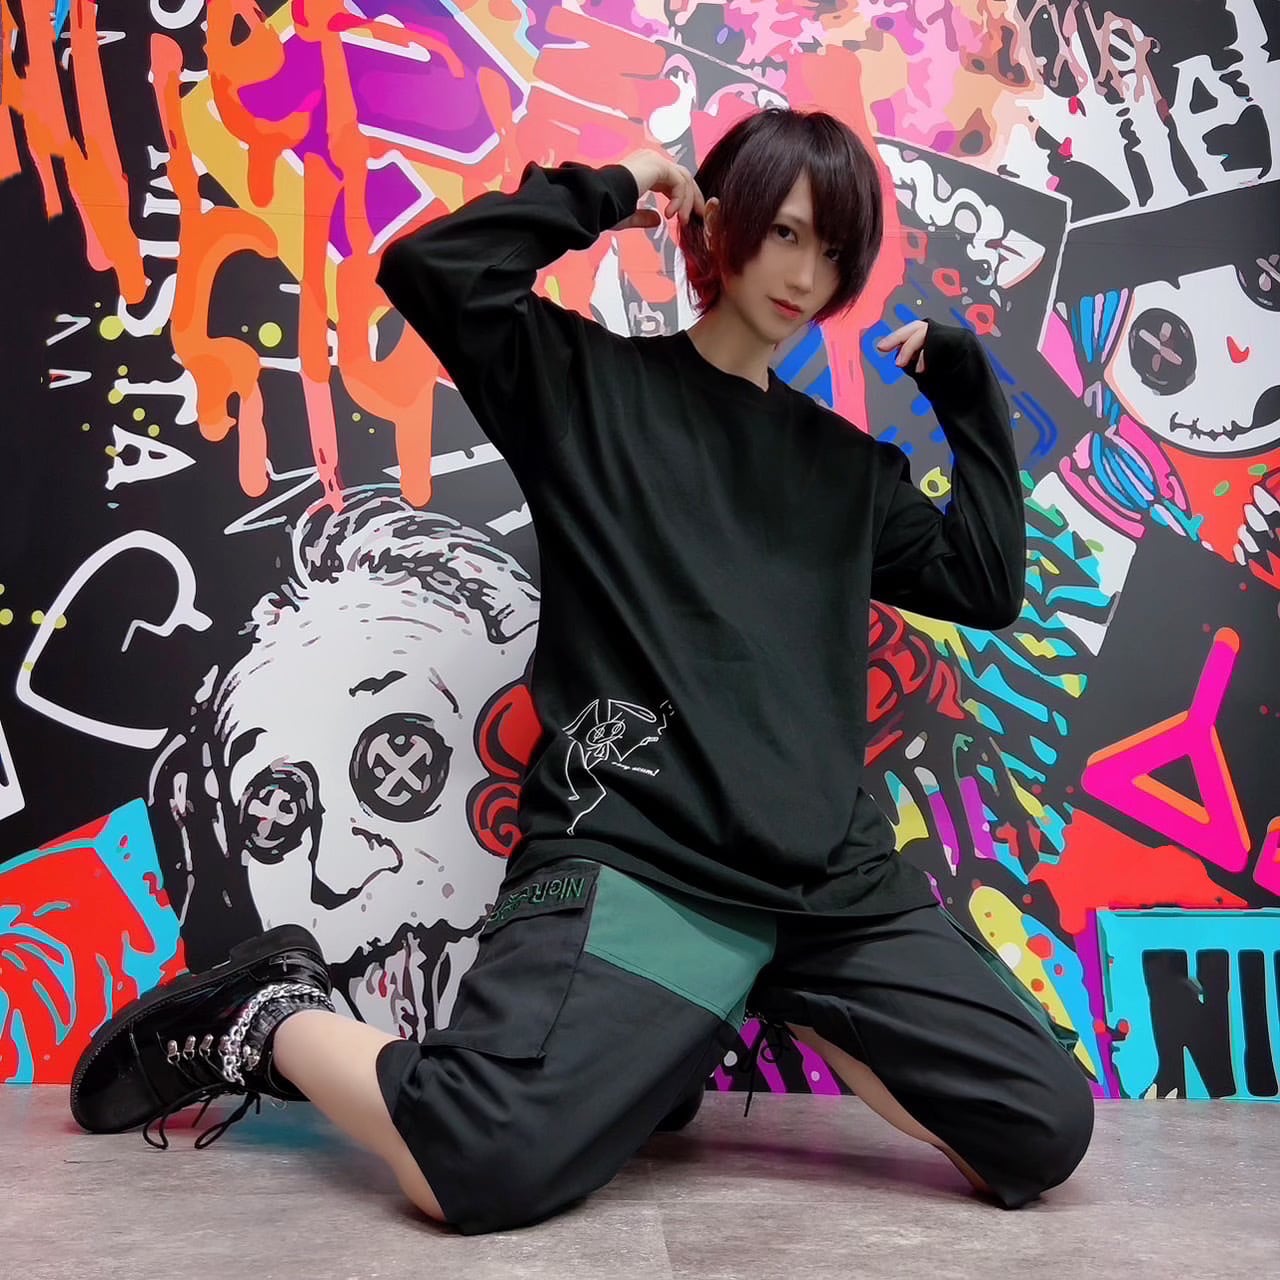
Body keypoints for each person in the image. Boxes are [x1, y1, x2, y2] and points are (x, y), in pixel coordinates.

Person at [70, 107, 1093, 1235]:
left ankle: (742, 1008)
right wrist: (617, 183)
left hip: (826, 888)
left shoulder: (842, 468)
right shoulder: (587, 387)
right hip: (651, 861)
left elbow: (984, 581)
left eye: (833, 249)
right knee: (476, 1161)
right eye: (785, 233)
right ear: (718, 225)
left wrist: (965, 392)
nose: (807, 275)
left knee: (1041, 1126)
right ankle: (267, 1013)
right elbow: (433, 268)